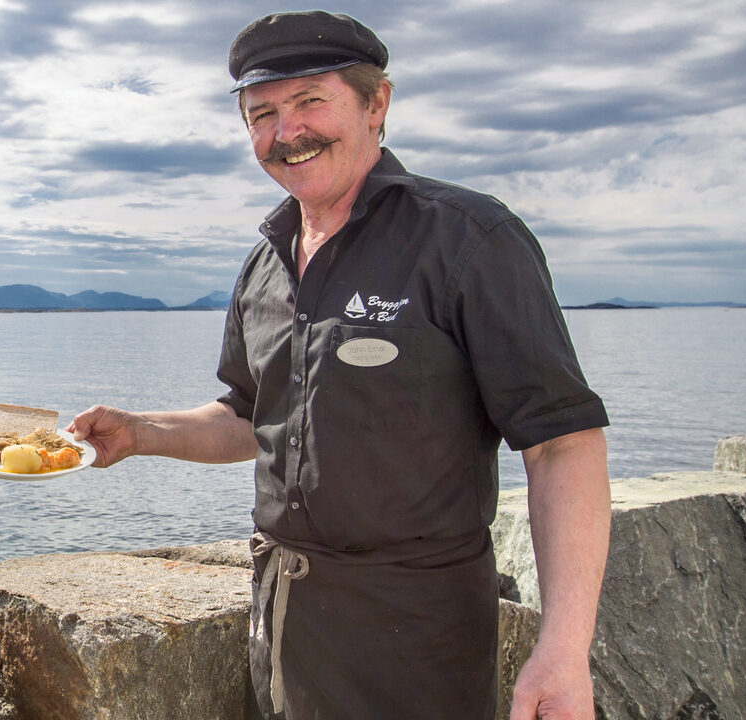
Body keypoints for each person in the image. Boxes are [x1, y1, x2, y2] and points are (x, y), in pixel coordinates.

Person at [69, 10, 611, 720]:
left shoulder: (471, 239)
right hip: (281, 621)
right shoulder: (266, 262)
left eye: (308, 102)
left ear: (376, 103)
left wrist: (564, 650)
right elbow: (246, 417)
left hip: (416, 641)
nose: (285, 133)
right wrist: (138, 431)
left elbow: (562, 444)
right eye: (261, 114)